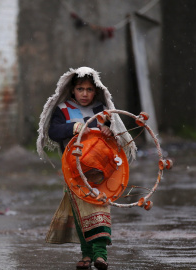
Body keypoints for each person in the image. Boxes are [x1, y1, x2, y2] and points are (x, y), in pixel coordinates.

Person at [37, 67, 136, 270]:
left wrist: (109, 130)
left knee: (100, 208)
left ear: (95, 91)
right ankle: (86, 254)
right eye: (80, 89)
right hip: (74, 171)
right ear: (72, 90)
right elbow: (54, 132)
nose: (84, 94)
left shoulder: (102, 110)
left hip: (101, 171)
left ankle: (100, 255)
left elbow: (113, 136)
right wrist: (72, 128)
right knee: (82, 213)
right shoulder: (63, 109)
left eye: (89, 89)